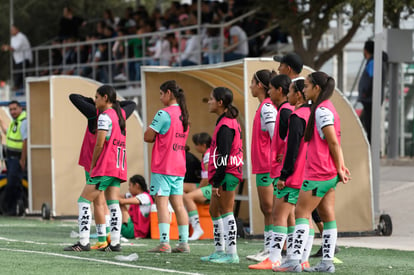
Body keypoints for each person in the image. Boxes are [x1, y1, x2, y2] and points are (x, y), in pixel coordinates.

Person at [273, 72, 350, 273]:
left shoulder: (322, 110)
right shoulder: (326, 108)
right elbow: (332, 142)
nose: (303, 89)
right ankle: (326, 263)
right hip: (327, 173)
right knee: (327, 216)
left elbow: (333, 141)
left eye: (306, 86)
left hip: (319, 173)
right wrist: (339, 167)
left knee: (301, 213)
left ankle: (294, 261)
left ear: (316, 88)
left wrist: (341, 167)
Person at [64, 85, 127, 252]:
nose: (95, 101)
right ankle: (114, 243)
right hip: (118, 166)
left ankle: (83, 242)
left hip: (105, 166)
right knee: (113, 203)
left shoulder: (104, 117)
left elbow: (99, 144)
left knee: (83, 201)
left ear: (105, 98)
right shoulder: (120, 115)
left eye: (97, 97)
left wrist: (93, 165)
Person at [144, 80, 190, 253]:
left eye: (162, 94)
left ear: (169, 93)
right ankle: (184, 243)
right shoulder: (184, 114)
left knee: (161, 204)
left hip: (164, 165)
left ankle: (164, 242)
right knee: (178, 204)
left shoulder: (164, 113)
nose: (160, 97)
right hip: (179, 165)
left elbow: (148, 136)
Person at [201, 87, 243, 264]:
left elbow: (224, 156)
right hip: (223, 173)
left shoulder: (226, 125)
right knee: (214, 210)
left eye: (211, 99)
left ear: (220, 102)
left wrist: (217, 182)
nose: (209, 102)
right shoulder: (224, 121)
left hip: (227, 173)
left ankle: (231, 254)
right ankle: (220, 250)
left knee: (226, 212)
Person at [245, 69, 277, 262]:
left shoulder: (267, 108)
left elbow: (276, 137)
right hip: (263, 165)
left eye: (252, 82)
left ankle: (272, 250)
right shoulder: (264, 107)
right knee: (267, 209)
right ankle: (269, 248)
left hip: (267, 166)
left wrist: (276, 162)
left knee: (270, 209)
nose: (250, 86)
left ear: (259, 85)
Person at [358, 39, 388, 143]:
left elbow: (372, 80)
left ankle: (372, 149)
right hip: (370, 99)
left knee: (368, 125)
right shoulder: (376, 61)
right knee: (366, 124)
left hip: (370, 99)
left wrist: (365, 93)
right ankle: (372, 147)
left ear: (366, 50)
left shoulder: (373, 62)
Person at [183, 132, 212, 241]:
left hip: (212, 187)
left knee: (187, 197)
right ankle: (187, 214)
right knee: (180, 187)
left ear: (203, 145)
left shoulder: (208, 156)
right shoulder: (206, 154)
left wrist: (199, 189)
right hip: (207, 185)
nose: (195, 147)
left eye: (196, 144)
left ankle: (197, 227)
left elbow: (208, 178)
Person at [0, 101, 27, 216]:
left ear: (20, 108)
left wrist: (22, 159)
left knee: (12, 185)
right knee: (14, 184)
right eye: (10, 110)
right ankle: (14, 209)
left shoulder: (23, 121)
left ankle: (10, 209)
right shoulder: (15, 122)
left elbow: (26, 141)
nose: (12, 112)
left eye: (14, 109)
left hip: (17, 159)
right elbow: (9, 134)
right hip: (11, 159)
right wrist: (1, 122)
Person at [119, 174, 153, 239]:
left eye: (130, 185)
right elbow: (118, 196)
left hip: (135, 232)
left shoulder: (144, 197)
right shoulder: (135, 195)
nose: (129, 188)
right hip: (135, 229)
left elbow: (121, 201)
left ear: (137, 185)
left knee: (121, 204)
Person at [2, 25, 32, 91]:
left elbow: (15, 48)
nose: (11, 31)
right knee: (21, 73)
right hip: (18, 59)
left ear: (17, 29)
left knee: (21, 73)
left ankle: (18, 87)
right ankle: (20, 87)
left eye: (13, 30)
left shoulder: (21, 37)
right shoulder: (13, 38)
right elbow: (12, 48)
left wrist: (6, 47)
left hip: (24, 58)